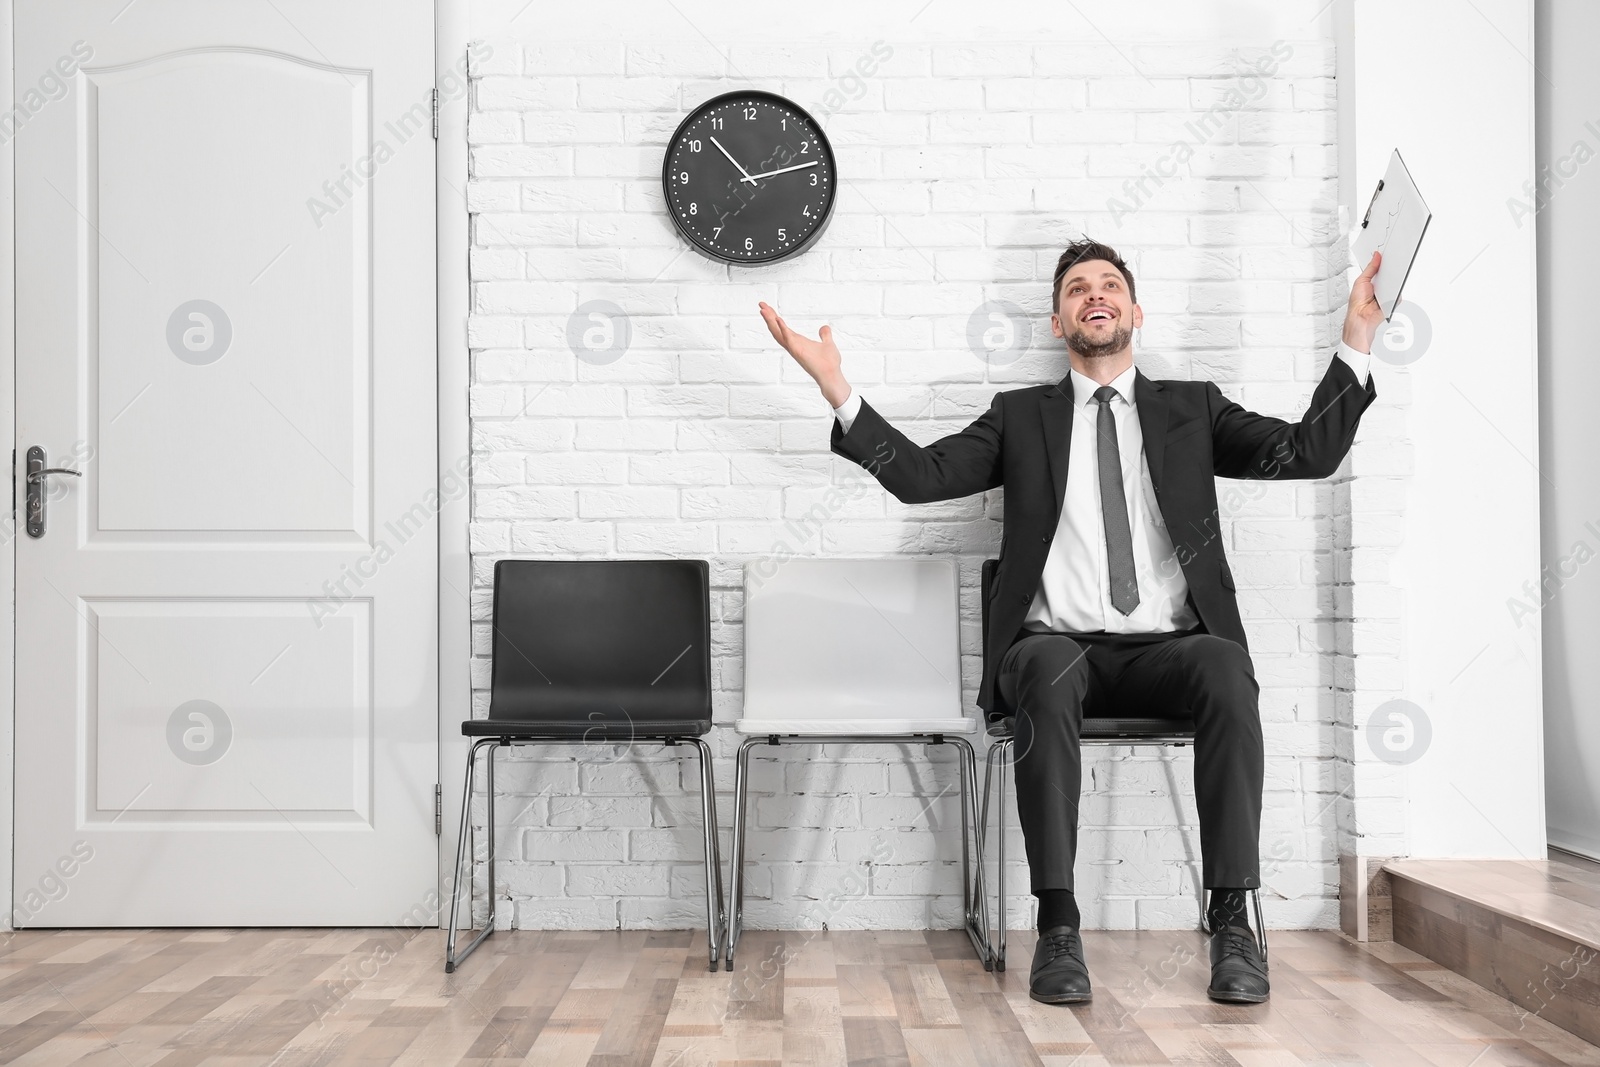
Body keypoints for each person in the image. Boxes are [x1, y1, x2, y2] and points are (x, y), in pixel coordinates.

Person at [759, 238, 1384, 1005]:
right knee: (1049, 667)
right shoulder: (1021, 417)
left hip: (1168, 651)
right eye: (1079, 287)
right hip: (1054, 648)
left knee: (1225, 664)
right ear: (1059, 321)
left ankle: (1231, 918)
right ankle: (1057, 925)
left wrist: (1355, 341)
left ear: (1134, 311)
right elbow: (923, 478)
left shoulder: (1193, 409)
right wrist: (838, 391)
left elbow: (1304, 452)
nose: (1097, 294)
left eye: (1111, 284)